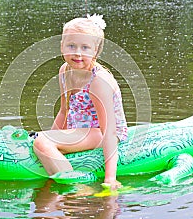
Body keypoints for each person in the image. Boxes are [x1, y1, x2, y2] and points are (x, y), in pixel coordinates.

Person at [33, 14, 128, 189]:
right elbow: (64, 111)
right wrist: (51, 137)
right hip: (79, 130)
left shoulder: (98, 81)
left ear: (95, 51)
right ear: (61, 46)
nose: (77, 53)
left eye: (85, 47)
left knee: (42, 142)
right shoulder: (65, 71)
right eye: (71, 45)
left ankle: (78, 189)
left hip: (102, 133)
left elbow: (109, 131)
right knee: (42, 140)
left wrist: (110, 178)